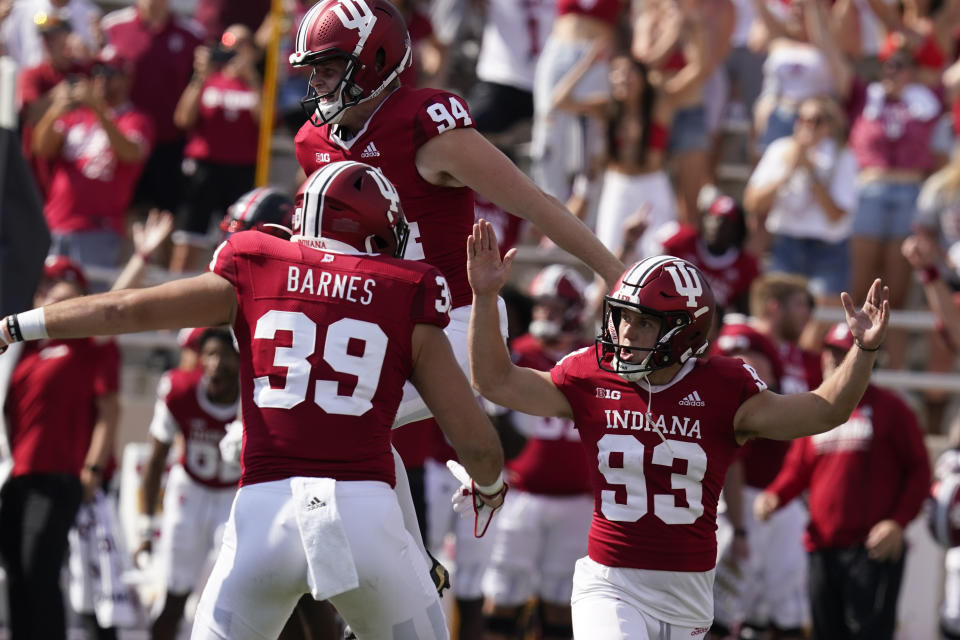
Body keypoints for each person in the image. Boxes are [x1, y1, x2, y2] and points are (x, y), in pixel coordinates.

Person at [0, 160, 506, 640]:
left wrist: (17, 325)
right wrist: (489, 486)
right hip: (364, 513)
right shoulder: (406, 288)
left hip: (265, 510)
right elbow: (477, 443)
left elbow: (122, 310)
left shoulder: (254, 264)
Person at [466, 218, 890, 638]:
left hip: (688, 591)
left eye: (644, 322)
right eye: (623, 317)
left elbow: (824, 412)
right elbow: (496, 381)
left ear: (685, 333)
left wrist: (863, 350)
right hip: (609, 581)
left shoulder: (724, 388)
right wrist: (485, 299)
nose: (625, 333)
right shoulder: (593, 374)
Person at [754, 322, 930, 640]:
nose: (833, 360)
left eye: (843, 353)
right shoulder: (815, 412)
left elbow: (919, 472)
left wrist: (897, 523)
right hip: (822, 547)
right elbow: (798, 470)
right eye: (830, 352)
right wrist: (775, 496)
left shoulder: (892, 409)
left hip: (871, 550)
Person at [0, 258, 120, 640]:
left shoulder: (87, 345)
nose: (50, 295)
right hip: (14, 476)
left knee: (40, 570)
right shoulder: (22, 352)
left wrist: (93, 467)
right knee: (16, 574)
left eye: (64, 290)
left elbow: (109, 411)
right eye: (47, 286)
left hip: (59, 475)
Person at [480, 265, 594, 640]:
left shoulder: (592, 360)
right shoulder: (518, 354)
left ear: (574, 310)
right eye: (540, 305)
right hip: (522, 492)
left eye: (553, 306)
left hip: (577, 498)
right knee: (503, 594)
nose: (543, 313)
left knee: (564, 601)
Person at [136, 328, 240, 640]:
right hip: (190, 492)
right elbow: (155, 460)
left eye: (225, 355)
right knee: (175, 592)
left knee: (233, 591)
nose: (216, 363)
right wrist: (145, 526)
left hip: (234, 496)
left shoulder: (256, 395)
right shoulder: (180, 389)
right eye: (209, 354)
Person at [31, 44, 154, 268]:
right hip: (55, 222)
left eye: (109, 73)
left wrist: (98, 110)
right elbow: (41, 147)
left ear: (127, 78)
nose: (100, 79)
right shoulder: (76, 115)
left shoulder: (136, 120)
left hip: (98, 229)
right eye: (96, 72)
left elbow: (130, 154)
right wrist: (55, 109)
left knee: (87, 298)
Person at [169, 24, 262, 272]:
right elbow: (183, 119)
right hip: (204, 167)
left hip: (240, 168)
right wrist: (201, 75)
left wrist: (252, 78)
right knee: (189, 239)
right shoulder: (210, 78)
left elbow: (266, 122)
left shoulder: (257, 83)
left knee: (235, 239)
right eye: (230, 44)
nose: (235, 51)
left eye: (243, 44)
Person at [102, 0, 204, 214]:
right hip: (124, 137)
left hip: (169, 141)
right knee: (122, 210)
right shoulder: (113, 26)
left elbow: (198, 84)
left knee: (166, 214)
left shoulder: (192, 34)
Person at [656, 193, 759, 316]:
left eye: (726, 222)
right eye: (714, 218)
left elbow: (744, 313)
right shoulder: (682, 240)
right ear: (704, 219)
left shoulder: (746, 265)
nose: (717, 226)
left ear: (737, 230)